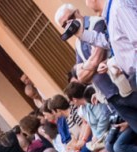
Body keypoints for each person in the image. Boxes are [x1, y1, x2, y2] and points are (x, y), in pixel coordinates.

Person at [55, 3, 137, 134]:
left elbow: (97, 58)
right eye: (64, 25)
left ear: (77, 12)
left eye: (70, 18)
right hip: (109, 96)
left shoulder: (97, 23)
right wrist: (88, 65)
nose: (69, 24)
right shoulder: (78, 42)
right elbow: (80, 77)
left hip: (124, 85)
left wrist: (86, 66)